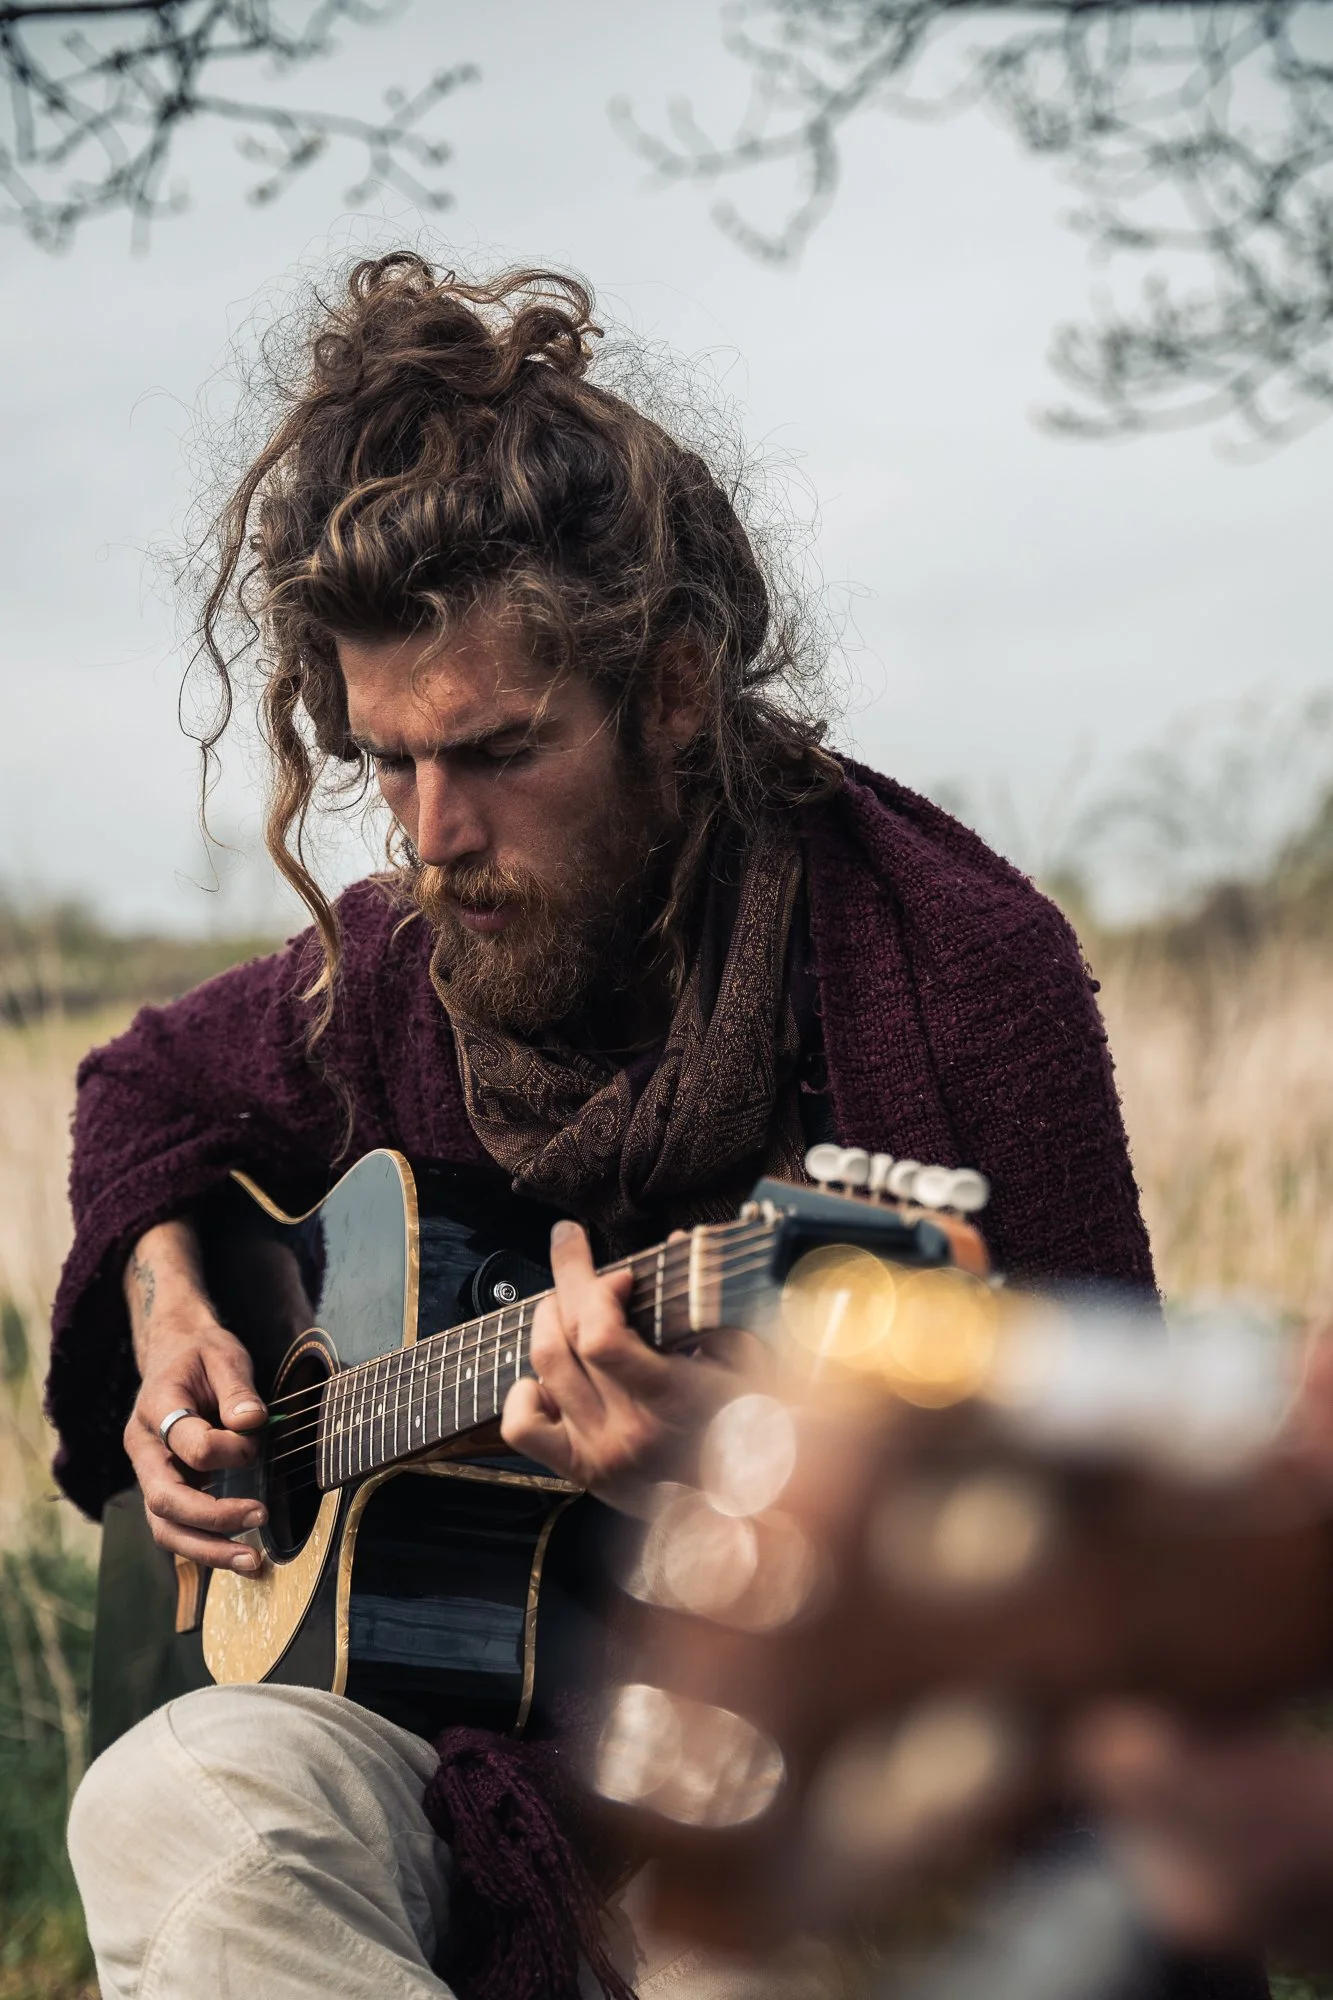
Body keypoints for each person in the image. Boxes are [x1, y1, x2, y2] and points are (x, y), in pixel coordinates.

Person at [50, 253, 1170, 2000]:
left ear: (671, 689)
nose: (430, 837)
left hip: (808, 1764)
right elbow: (142, 1093)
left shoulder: (953, 975)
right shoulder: (405, 956)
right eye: (386, 761)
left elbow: (1113, 1529)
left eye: (495, 749)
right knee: (169, 1800)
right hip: (447, 1740)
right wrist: (174, 1312)